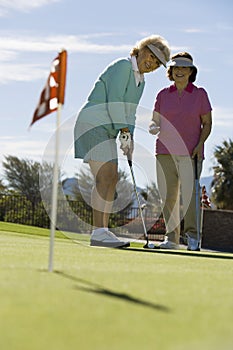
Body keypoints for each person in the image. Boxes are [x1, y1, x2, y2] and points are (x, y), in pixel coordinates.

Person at [74, 35, 170, 248]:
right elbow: (115, 101)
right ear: (141, 49)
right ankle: (99, 232)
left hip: (108, 130)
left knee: (112, 178)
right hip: (93, 123)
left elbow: (131, 113)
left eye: (157, 63)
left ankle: (103, 231)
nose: (152, 63)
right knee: (105, 176)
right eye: (151, 56)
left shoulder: (140, 81)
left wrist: (129, 138)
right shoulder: (124, 66)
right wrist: (124, 132)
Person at [149, 52, 212, 251]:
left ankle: (193, 237)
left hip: (190, 153)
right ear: (171, 71)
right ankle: (172, 239)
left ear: (191, 71)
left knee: (190, 196)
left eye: (184, 68)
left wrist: (199, 144)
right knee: (168, 196)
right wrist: (153, 126)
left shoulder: (200, 94)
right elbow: (155, 120)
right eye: (176, 67)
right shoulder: (162, 95)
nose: (179, 71)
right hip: (164, 151)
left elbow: (207, 123)